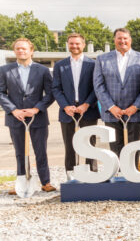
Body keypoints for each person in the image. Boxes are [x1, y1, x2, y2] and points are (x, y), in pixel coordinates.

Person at [0, 38, 56, 194]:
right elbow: (1, 93)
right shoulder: (5, 70)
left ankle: (46, 182)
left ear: (31, 50)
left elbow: (51, 93)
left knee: (41, 151)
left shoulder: (43, 70)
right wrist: (13, 110)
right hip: (15, 117)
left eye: (24, 49)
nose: (21, 51)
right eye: (18, 49)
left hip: (37, 117)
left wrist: (37, 109)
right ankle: (22, 181)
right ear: (14, 51)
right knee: (20, 152)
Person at [93, 28, 140, 157]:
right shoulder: (102, 59)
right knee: (115, 150)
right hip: (112, 113)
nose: (122, 41)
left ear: (130, 40)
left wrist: (135, 106)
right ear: (114, 40)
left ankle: (133, 177)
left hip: (135, 113)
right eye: (119, 38)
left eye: (125, 38)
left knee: (133, 149)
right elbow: (98, 85)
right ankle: (118, 176)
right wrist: (111, 107)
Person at [52, 33, 100, 178]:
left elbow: (96, 87)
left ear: (83, 45)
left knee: (90, 145)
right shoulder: (60, 65)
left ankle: (92, 174)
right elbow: (56, 88)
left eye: (77, 43)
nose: (74, 46)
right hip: (68, 112)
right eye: (71, 43)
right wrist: (65, 106)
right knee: (70, 145)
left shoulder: (93, 64)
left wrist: (87, 104)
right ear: (68, 44)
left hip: (88, 110)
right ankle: (71, 176)